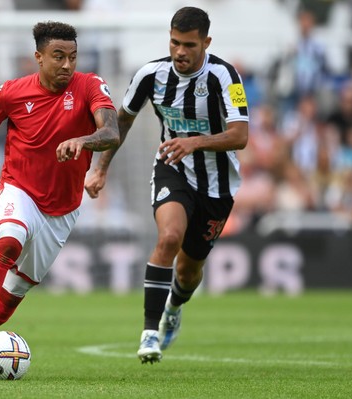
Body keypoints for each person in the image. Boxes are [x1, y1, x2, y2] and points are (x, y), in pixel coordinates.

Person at [0, 21, 119, 378]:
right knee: (10, 241)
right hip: (20, 188)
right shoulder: (11, 92)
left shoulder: (90, 85)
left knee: (14, 292)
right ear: (39, 57)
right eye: (58, 56)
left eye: (72, 57)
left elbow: (111, 131)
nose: (66, 65)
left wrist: (85, 141)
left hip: (63, 209)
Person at [85, 6, 249, 363]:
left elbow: (240, 136)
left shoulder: (226, 77)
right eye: (175, 42)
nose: (180, 52)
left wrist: (194, 141)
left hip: (217, 184)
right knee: (169, 238)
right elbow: (121, 123)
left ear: (206, 42)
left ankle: (175, 306)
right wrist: (101, 169)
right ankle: (149, 334)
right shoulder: (150, 74)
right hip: (172, 168)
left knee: (189, 270)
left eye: (189, 45)